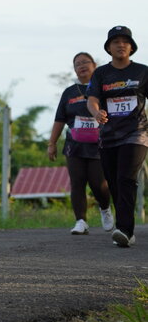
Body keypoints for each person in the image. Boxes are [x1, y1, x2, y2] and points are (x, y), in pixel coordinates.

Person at [86, 26, 148, 248]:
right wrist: (96, 112)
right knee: (113, 182)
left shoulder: (142, 71)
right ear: (109, 48)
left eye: (125, 41)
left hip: (136, 133)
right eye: (116, 42)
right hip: (109, 135)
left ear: (131, 47)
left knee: (126, 178)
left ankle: (125, 230)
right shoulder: (101, 73)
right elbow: (92, 99)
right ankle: (124, 227)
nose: (121, 45)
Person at [47, 52, 112, 235]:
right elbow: (59, 119)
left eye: (85, 62)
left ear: (94, 65)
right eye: (77, 64)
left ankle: (105, 208)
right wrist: (52, 143)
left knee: (99, 183)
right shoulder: (69, 92)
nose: (82, 66)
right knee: (77, 182)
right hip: (74, 145)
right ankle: (81, 221)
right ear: (75, 70)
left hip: (99, 145)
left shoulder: (105, 88)